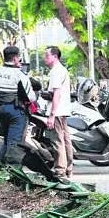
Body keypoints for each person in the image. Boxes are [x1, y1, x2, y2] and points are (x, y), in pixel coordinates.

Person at [0, 46, 37, 169]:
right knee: (15, 142)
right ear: (15, 58)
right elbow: (31, 97)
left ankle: (0, 166)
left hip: (1, 110)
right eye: (18, 57)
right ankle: (13, 170)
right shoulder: (19, 74)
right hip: (16, 111)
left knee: (6, 138)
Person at [43, 46, 73, 181]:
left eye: (47, 56)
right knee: (66, 141)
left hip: (58, 111)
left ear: (54, 57)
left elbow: (57, 95)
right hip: (64, 111)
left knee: (57, 142)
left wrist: (51, 115)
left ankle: (60, 170)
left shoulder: (56, 71)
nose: (45, 59)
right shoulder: (62, 70)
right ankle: (68, 169)